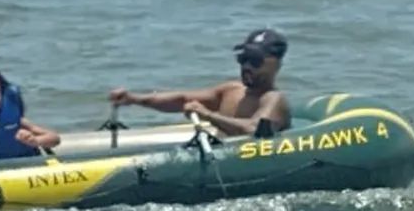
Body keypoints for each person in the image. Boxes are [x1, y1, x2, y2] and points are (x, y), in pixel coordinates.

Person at [108, 28, 291, 138]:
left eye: (255, 60)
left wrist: (208, 115)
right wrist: (134, 99)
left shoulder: (273, 100)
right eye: (243, 58)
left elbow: (255, 130)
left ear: (275, 64)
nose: (247, 66)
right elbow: (182, 100)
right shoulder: (231, 90)